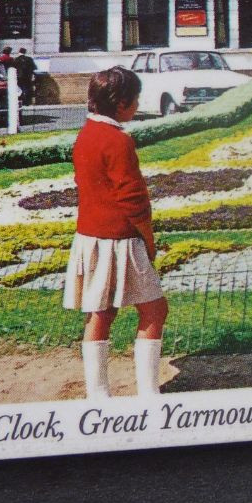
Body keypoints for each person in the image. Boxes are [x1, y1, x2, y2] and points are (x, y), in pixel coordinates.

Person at [64, 66, 168, 398]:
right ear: (122, 103)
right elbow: (134, 199)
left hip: (90, 237)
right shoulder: (119, 140)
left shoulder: (85, 135)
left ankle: (98, 395)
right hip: (121, 239)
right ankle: (149, 394)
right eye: (135, 100)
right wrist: (149, 240)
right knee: (154, 310)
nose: (137, 105)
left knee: (102, 313)